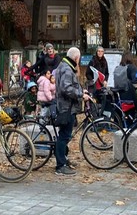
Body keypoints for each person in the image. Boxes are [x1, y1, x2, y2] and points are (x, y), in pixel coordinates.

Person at [55, 47, 90, 176]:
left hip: (66, 106)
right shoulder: (67, 69)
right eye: (79, 58)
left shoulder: (65, 66)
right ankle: (60, 166)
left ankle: (63, 159)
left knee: (64, 135)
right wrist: (81, 95)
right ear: (76, 58)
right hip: (66, 107)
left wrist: (82, 91)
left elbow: (71, 85)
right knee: (64, 136)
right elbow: (67, 88)